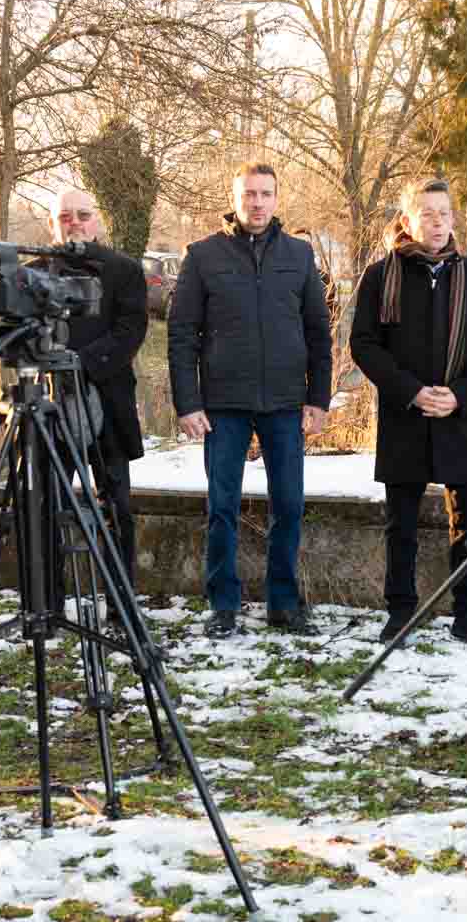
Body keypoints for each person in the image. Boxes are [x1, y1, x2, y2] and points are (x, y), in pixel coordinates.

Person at [168, 161, 333, 639]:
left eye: (265, 194)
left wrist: (318, 398)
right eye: (249, 195)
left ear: (276, 199)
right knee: (221, 507)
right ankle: (223, 604)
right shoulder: (203, 255)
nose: (257, 203)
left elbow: (318, 332)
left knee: (290, 505)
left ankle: (283, 603)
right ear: (234, 199)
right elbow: (182, 335)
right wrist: (188, 403)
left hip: (285, 402)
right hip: (224, 404)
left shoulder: (299, 255)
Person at [350, 178, 467, 646]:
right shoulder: (381, 276)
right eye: (427, 214)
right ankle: (400, 611)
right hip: (405, 415)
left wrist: (460, 393)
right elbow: (364, 344)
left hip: (459, 415)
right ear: (407, 220)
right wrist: (412, 392)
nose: (437, 223)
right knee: (401, 523)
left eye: (444, 213)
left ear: (453, 219)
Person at [45, 188, 148, 603]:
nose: (74, 222)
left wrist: (78, 363)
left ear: (98, 220)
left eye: (83, 214)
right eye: (65, 216)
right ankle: (48, 604)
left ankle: (121, 603)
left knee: (116, 506)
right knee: (45, 504)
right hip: (48, 403)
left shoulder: (124, 270)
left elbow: (130, 330)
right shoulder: (34, 271)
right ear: (52, 224)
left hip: (108, 399)